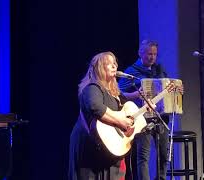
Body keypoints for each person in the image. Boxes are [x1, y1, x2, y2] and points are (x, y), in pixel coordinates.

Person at [118, 40, 183, 180]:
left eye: (154, 54)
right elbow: (119, 94)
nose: (152, 57)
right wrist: (136, 94)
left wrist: (178, 91)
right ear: (140, 53)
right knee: (143, 156)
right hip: (143, 118)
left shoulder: (159, 69)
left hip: (161, 117)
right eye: (149, 54)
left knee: (164, 154)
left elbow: (168, 89)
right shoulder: (131, 71)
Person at [68, 51, 135, 180]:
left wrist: (147, 109)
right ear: (99, 68)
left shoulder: (115, 94)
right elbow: (95, 107)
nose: (114, 66)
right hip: (90, 147)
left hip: (107, 148)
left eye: (115, 63)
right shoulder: (92, 87)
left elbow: (129, 113)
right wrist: (119, 121)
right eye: (109, 64)